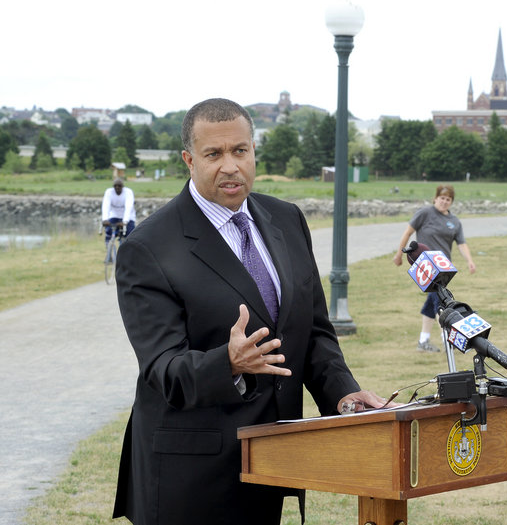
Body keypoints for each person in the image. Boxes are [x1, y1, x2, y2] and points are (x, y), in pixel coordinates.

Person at [112, 98, 386, 525]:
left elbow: (311, 331)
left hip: (272, 460)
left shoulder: (286, 219)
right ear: (189, 159)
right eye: (214, 154)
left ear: (254, 152)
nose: (230, 166)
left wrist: (343, 395)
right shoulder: (147, 248)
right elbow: (163, 368)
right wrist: (229, 363)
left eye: (240, 151)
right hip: (189, 478)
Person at [392, 184, 476, 352]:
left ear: (451, 201)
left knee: (433, 302)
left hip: (444, 268)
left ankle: (423, 341)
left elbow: (461, 244)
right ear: (435, 198)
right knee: (441, 302)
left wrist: (470, 260)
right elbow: (408, 233)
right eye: (442, 198)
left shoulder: (454, 222)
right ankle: (447, 341)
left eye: (448, 199)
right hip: (425, 267)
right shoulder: (425, 214)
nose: (444, 202)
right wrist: (399, 254)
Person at [102, 178, 136, 242]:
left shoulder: (128, 192)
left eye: (119, 186)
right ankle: (109, 246)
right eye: (115, 186)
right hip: (114, 215)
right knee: (108, 230)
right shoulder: (109, 192)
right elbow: (106, 206)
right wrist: (105, 219)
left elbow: (128, 207)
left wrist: (125, 221)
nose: (117, 188)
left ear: (123, 186)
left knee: (130, 234)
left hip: (128, 217)